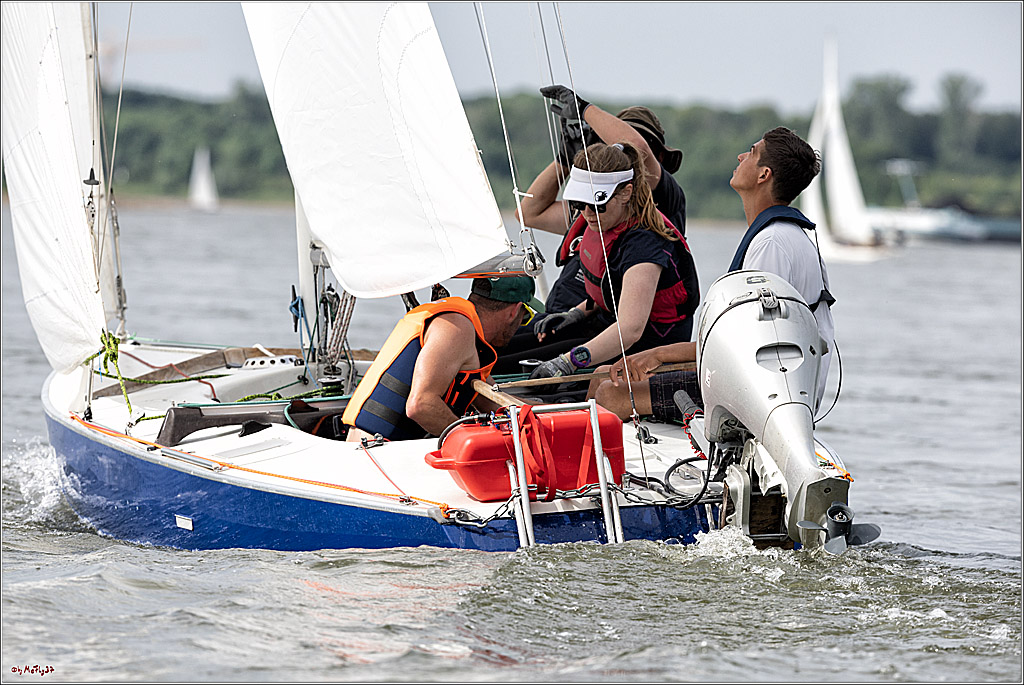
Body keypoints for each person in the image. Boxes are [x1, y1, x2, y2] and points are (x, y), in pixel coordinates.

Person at [594, 126, 836, 422]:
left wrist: (658, 355)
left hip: (755, 393)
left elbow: (747, 343)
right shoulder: (789, 235)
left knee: (610, 392)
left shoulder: (771, 243)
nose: (741, 156)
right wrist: (655, 357)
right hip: (758, 382)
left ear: (764, 175)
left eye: (752, 152)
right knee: (604, 373)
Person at [492, 88, 696, 374]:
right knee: (489, 351)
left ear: (626, 192)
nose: (587, 212)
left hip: (633, 350)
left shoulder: (648, 234)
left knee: (500, 366)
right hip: (587, 323)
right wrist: (575, 314)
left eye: (596, 205)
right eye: (581, 204)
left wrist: (568, 362)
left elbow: (629, 328)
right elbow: (528, 212)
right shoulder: (601, 214)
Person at [341, 276, 536, 441]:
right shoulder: (456, 328)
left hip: (372, 446)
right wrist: (470, 440)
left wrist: (544, 410)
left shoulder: (461, 329)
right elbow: (421, 405)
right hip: (378, 453)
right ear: (514, 311)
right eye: (525, 317)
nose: (522, 324)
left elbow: (490, 400)